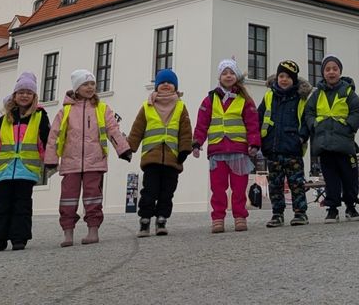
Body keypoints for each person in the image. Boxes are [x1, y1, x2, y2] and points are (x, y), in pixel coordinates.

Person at [44, 69, 132, 246]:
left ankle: (93, 230)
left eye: (92, 84)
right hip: (70, 162)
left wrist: (123, 149)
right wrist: (51, 159)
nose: (90, 87)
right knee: (68, 198)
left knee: (93, 197)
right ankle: (68, 233)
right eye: (85, 84)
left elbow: (113, 130)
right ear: (77, 88)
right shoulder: (65, 111)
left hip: (95, 161)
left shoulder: (102, 109)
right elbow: (54, 136)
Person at [0, 71, 51, 252]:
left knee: (22, 206)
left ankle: (19, 238)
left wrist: (51, 163)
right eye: (21, 92)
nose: (24, 95)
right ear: (15, 96)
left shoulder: (40, 117)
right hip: (5, 170)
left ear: (34, 96)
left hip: (26, 170)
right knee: (1, 206)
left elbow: (47, 141)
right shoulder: (3, 120)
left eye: (28, 92)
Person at [191, 58, 261, 233]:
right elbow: (202, 124)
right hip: (217, 151)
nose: (228, 76)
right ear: (219, 77)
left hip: (239, 151)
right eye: (224, 73)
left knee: (239, 188)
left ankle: (240, 217)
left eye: (231, 73)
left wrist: (254, 143)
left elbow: (252, 123)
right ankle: (218, 218)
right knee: (218, 188)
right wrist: (197, 142)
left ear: (236, 76)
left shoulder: (245, 99)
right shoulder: (210, 99)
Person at [126, 68, 192, 236]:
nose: (166, 85)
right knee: (149, 191)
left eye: (170, 82)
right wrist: (128, 148)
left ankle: (162, 219)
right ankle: (145, 220)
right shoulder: (147, 106)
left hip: (172, 158)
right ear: (156, 87)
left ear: (175, 87)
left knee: (167, 192)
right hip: (151, 157)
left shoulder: (180, 106)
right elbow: (137, 129)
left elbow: (185, 131)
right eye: (162, 82)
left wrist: (185, 150)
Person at [303, 54, 359, 222]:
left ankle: (351, 207)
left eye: (334, 69)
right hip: (325, 145)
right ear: (323, 73)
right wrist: (314, 124)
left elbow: (357, 112)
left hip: (344, 143)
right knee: (330, 178)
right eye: (327, 69)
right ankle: (332, 208)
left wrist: (349, 126)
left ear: (340, 71)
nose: (331, 72)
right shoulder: (317, 94)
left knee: (350, 177)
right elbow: (308, 112)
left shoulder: (348, 91)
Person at [256, 59, 311, 227]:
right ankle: (277, 213)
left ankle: (300, 213)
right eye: (281, 75)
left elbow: (307, 121)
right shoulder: (269, 96)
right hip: (272, 148)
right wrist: (259, 140)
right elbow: (258, 118)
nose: (284, 79)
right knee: (275, 185)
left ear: (294, 80)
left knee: (296, 183)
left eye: (288, 76)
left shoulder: (300, 99)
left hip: (293, 149)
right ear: (277, 77)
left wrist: (301, 138)